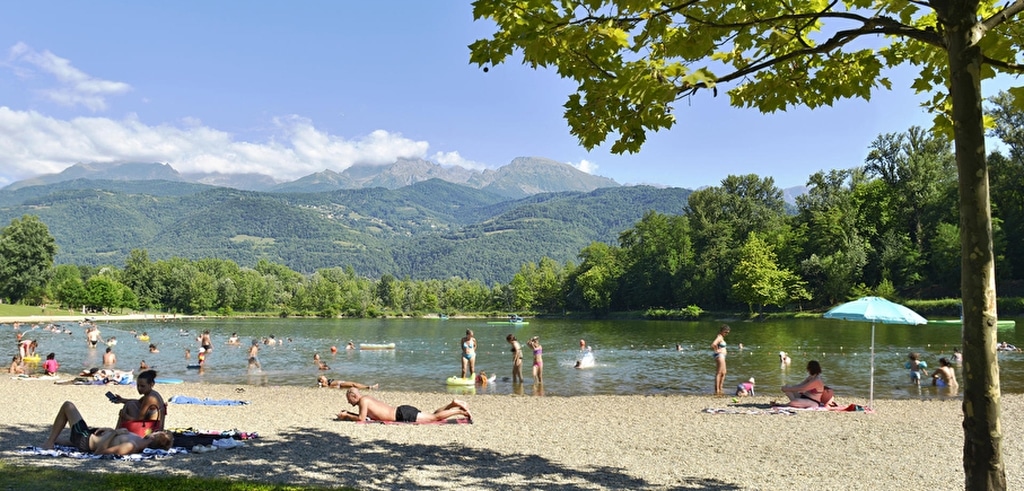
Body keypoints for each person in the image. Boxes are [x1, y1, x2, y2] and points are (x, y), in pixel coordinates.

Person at [43, 401, 173, 455]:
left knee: (68, 405)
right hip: (91, 435)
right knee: (59, 439)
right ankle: (55, 440)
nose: (153, 431)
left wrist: (114, 433)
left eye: (156, 432)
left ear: (153, 437)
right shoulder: (138, 439)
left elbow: (99, 452)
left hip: (85, 439)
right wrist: (110, 430)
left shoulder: (131, 446)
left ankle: (50, 443)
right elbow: (116, 436)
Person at [336, 387, 470, 423]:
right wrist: (348, 414)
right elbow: (365, 416)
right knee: (433, 414)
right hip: (401, 411)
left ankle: (460, 411)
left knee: (434, 418)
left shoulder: (363, 401)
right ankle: (452, 404)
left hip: (401, 414)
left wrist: (347, 415)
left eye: (349, 399)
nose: (349, 402)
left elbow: (361, 419)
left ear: (354, 396)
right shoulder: (367, 398)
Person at [111, 369, 166, 437]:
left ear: (151, 384)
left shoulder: (150, 398)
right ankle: (116, 431)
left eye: (142, 386)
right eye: (138, 385)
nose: (139, 388)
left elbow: (140, 420)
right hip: (155, 427)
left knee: (128, 405)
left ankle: (116, 432)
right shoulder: (152, 393)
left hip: (152, 430)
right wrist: (122, 400)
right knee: (130, 403)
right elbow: (137, 401)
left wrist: (124, 416)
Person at [711, 325, 730, 395]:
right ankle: (717, 390)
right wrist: (717, 350)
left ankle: (720, 387)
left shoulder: (721, 337)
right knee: (719, 373)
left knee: (724, 372)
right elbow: (713, 344)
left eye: (728, 333)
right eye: (725, 332)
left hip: (722, 356)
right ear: (722, 331)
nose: (726, 334)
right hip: (720, 356)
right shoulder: (719, 337)